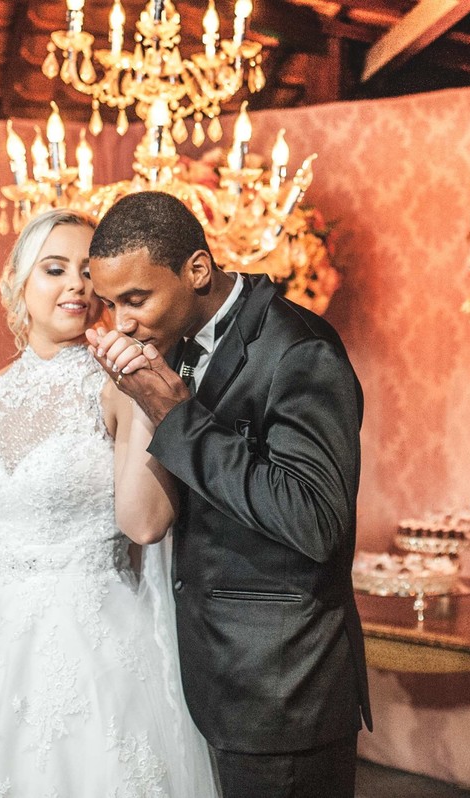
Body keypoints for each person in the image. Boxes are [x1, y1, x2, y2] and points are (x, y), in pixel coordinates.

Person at [0, 208, 219, 797]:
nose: (75, 284)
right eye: (54, 269)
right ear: (19, 283)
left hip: (91, 642)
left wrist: (147, 392)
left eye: (85, 272)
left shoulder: (119, 386)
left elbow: (146, 525)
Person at [86, 191, 372, 798]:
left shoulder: (300, 350)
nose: (123, 324)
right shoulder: (173, 342)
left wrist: (173, 413)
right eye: (110, 304)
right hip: (206, 676)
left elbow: (315, 519)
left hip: (284, 687)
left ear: (196, 269)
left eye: (136, 300)